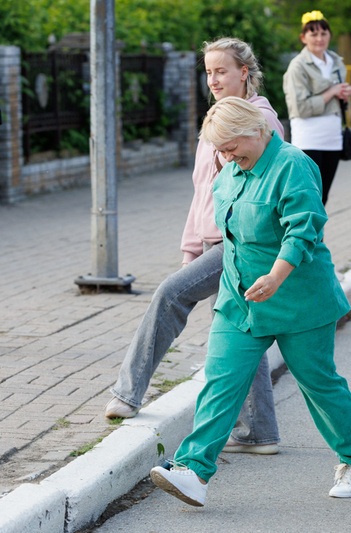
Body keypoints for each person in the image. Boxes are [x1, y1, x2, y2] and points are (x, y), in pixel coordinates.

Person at [149, 97, 351, 506]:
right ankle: (194, 471)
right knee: (221, 380)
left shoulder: (293, 165)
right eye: (220, 150)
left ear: (256, 129)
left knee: (318, 384)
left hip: (298, 299)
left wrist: (276, 276)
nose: (227, 156)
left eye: (231, 146)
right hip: (240, 299)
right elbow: (225, 235)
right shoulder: (229, 172)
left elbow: (304, 230)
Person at [105, 37, 284, 455]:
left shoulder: (260, 121)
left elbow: (268, 186)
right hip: (211, 241)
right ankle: (258, 432)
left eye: (222, 70)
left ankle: (127, 394)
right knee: (244, 328)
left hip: (240, 243)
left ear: (244, 72)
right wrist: (190, 249)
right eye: (208, 72)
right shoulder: (217, 118)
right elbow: (202, 190)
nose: (214, 79)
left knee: (169, 295)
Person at [283, 10, 351, 205]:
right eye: (313, 34)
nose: (319, 38)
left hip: (333, 140)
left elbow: (336, 101)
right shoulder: (297, 66)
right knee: (308, 198)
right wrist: (331, 92)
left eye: (323, 33)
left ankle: (318, 236)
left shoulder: (336, 62)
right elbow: (300, 108)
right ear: (303, 38)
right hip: (308, 140)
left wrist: (343, 95)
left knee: (323, 198)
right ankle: (307, 236)